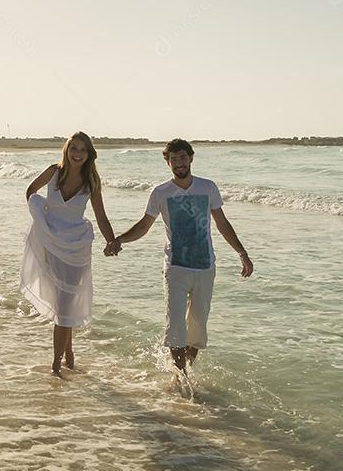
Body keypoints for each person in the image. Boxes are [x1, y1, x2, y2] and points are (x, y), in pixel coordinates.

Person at [106, 138, 253, 375]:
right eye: (173, 159)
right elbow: (144, 225)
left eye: (183, 157)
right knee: (176, 327)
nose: (179, 163)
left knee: (197, 329)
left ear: (191, 158)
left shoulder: (208, 188)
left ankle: (187, 370)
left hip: (205, 268)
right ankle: (181, 376)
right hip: (175, 269)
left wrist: (242, 253)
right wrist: (119, 240)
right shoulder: (160, 192)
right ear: (168, 163)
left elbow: (222, 223)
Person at [22, 131, 116, 377]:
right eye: (74, 148)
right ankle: (69, 354)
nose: (77, 154)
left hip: (75, 249)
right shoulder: (54, 172)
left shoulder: (91, 183)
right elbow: (31, 191)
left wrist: (112, 241)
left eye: (83, 150)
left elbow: (101, 216)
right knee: (62, 303)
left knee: (65, 305)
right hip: (50, 244)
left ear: (89, 154)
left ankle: (55, 364)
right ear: (67, 149)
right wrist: (41, 217)